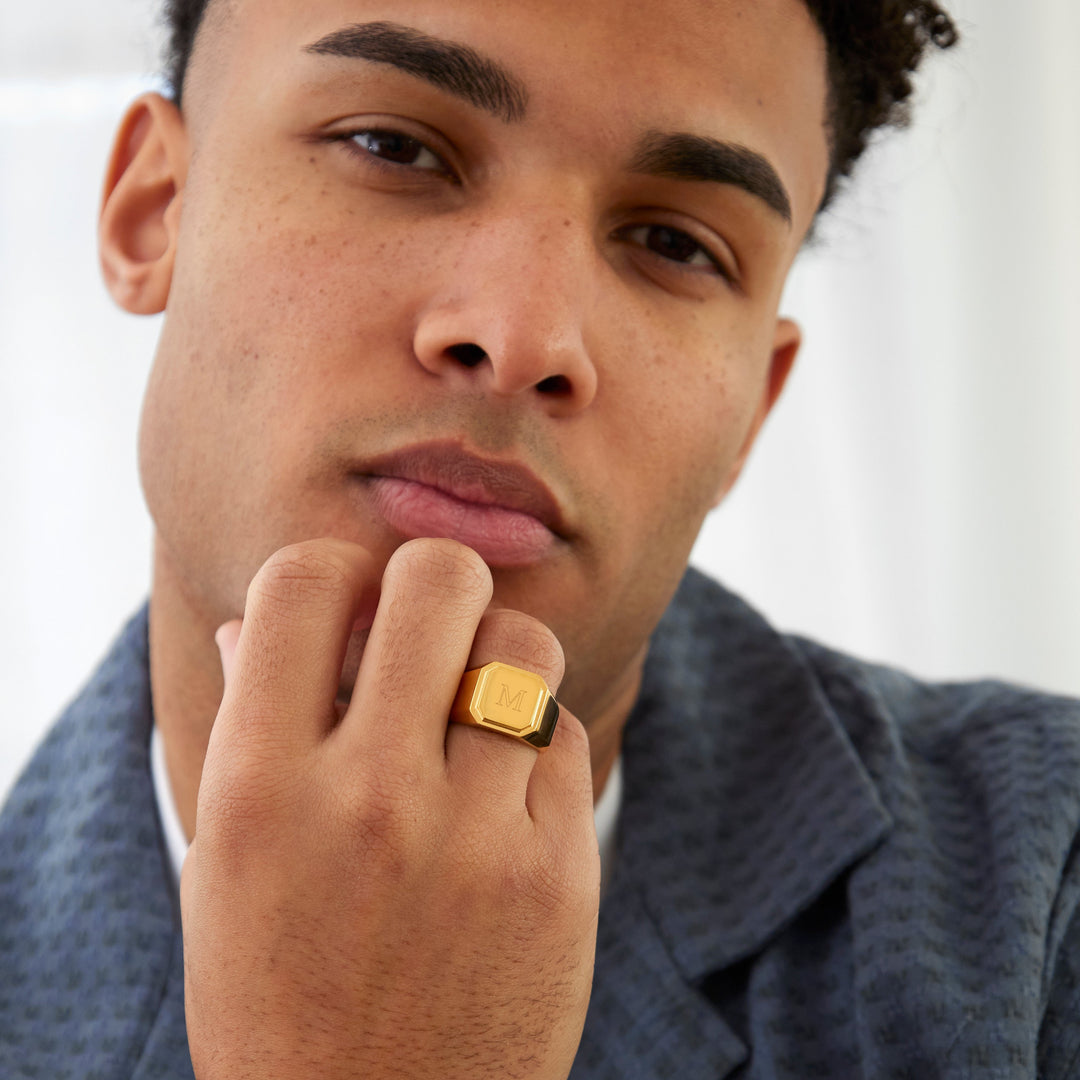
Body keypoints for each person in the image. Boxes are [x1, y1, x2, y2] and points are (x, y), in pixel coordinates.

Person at [3, 0, 1080, 1076]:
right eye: (397, 148)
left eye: (674, 244)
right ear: (154, 211)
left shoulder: (1046, 899)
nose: (522, 339)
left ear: (755, 406)